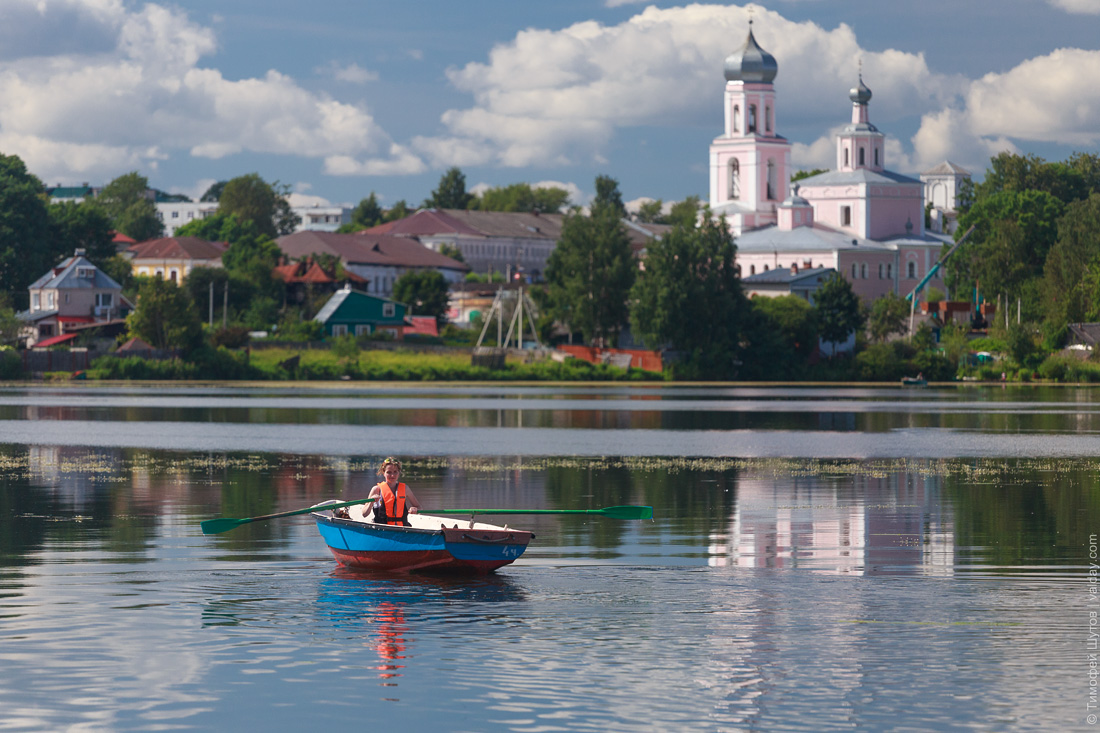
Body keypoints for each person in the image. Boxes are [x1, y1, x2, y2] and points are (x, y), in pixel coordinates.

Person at [367, 457, 421, 526]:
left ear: (399, 472)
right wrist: (371, 502)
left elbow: (419, 507)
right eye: (389, 472)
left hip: (402, 528)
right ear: (383, 473)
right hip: (382, 528)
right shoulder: (376, 489)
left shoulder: (405, 489)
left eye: (395, 472)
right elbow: (364, 514)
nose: (392, 475)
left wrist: (415, 509)